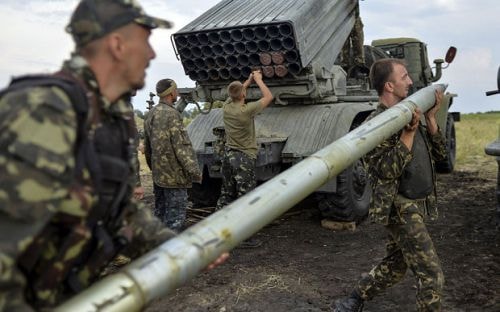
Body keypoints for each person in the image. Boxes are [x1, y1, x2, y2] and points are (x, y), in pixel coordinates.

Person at [0, 1, 228, 310]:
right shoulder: (45, 112)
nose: (150, 54)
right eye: (145, 41)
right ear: (117, 44)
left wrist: (179, 250)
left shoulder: (107, 116)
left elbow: (114, 212)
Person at [333, 59, 446, 312]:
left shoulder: (412, 112)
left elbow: (441, 157)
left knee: (397, 263)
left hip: (415, 202)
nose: (410, 81)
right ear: (389, 86)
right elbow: (386, 172)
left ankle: (354, 299)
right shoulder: (375, 126)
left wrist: (430, 119)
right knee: (431, 275)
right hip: (399, 207)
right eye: (404, 76)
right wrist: (407, 134)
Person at [215, 70, 273, 245]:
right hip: (244, 159)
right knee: (245, 197)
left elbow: (235, 93)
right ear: (244, 95)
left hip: (229, 156)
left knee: (226, 194)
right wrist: (259, 80)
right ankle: (245, 237)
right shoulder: (246, 111)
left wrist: (247, 81)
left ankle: (217, 230)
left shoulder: (227, 107)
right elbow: (269, 97)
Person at [143, 78, 202, 232]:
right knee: (175, 219)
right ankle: (171, 252)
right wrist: (194, 171)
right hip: (175, 177)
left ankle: (155, 250)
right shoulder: (172, 115)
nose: (177, 93)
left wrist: (154, 168)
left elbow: (147, 148)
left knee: (160, 215)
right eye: (175, 90)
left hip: (159, 176)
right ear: (171, 93)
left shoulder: (150, 114)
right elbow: (182, 147)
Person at [340, 1, 366, 73]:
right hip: (342, 18)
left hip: (354, 17)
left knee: (358, 44)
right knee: (344, 46)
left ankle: (359, 66)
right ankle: (345, 67)